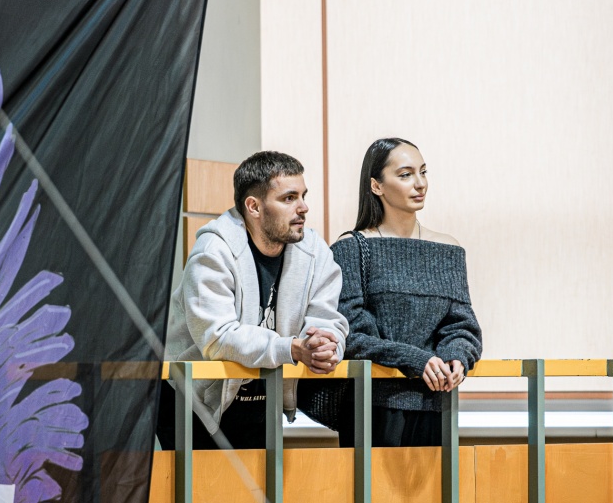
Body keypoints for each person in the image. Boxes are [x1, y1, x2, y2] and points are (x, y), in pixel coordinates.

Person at [301, 137, 482, 447]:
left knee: (440, 481)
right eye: (405, 174)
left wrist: (457, 357)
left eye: (423, 172)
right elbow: (351, 333)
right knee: (369, 482)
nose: (420, 183)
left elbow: (462, 326)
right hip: (372, 405)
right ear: (376, 186)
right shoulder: (351, 248)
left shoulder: (448, 249)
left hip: (438, 401)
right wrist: (417, 360)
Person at [161, 151, 348, 449]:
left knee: (258, 481)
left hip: (262, 392)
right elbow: (218, 338)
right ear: (254, 207)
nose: (303, 207)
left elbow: (327, 318)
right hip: (194, 399)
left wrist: (325, 343)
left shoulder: (315, 251)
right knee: (202, 482)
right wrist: (292, 348)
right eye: (289, 198)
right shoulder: (213, 251)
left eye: (303, 196)